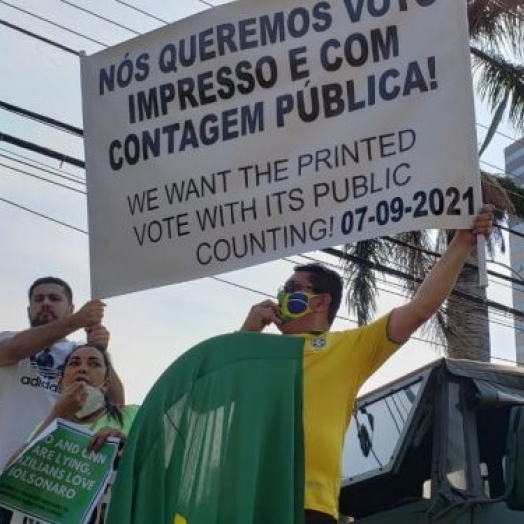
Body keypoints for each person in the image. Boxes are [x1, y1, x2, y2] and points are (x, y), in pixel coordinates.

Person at [239, 206, 494, 524]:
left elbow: (420, 308)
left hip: (310, 506)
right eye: (282, 291)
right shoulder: (255, 353)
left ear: (321, 301)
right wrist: (246, 335)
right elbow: (218, 400)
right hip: (247, 500)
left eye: (292, 291)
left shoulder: (349, 347)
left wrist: (462, 243)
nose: (280, 297)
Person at [0, 276, 124, 469]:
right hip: (5, 464)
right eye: (39, 299)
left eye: (54, 298)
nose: (46, 303)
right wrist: (77, 321)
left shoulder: (81, 354)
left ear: (71, 308)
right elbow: (13, 351)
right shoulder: (8, 339)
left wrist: (100, 351)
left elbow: (116, 403)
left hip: (60, 470)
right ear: (28, 309)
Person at [6, 343, 139, 523]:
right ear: (61, 383)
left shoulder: (132, 416)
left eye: (94, 364)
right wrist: (56, 415)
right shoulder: (47, 426)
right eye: (74, 363)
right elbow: (10, 480)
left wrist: (126, 445)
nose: (83, 369)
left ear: (106, 385)